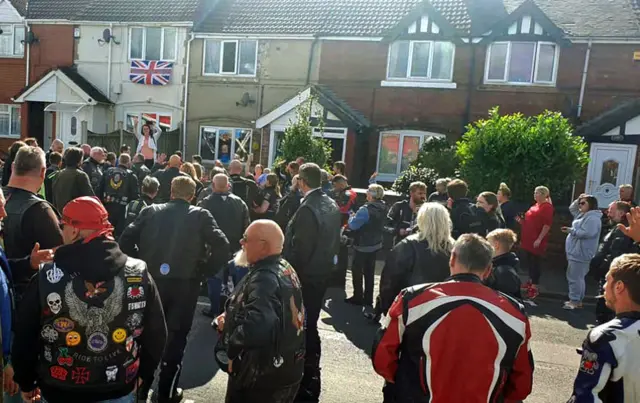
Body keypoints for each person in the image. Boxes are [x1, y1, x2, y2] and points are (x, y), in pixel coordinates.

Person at [11, 196, 167, 403]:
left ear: (74, 230)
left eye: (62, 225)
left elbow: (25, 333)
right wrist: (144, 375)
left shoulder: (46, 276)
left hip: (59, 389)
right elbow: (157, 333)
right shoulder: (139, 272)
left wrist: (26, 381)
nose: (61, 231)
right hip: (118, 387)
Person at [372, 234, 534, 402]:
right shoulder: (515, 313)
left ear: (452, 259)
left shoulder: (411, 299)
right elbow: (522, 381)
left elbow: (382, 356)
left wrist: (404, 386)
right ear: (488, 270)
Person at [119, 176, 229, 402]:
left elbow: (125, 239)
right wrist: (204, 270)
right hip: (183, 284)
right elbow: (222, 245)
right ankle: (165, 392)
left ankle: (143, 388)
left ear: (171, 191)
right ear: (192, 196)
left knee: (145, 333)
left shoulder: (153, 211)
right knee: (176, 337)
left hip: (154, 280)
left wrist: (138, 263)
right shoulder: (199, 215)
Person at [216, 220, 305, 403]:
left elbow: (257, 327)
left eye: (246, 238)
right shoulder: (283, 267)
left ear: (263, 246)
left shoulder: (264, 277)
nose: (241, 242)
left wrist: (231, 350)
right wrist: (230, 316)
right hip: (283, 370)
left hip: (260, 379)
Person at [283, 163, 341, 403]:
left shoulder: (309, 208)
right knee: (310, 322)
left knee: (303, 325)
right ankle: (310, 369)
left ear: (302, 181)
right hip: (322, 271)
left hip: (306, 275)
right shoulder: (330, 203)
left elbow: (301, 249)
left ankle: (305, 376)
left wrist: (288, 272)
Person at [567, 253, 640, 402]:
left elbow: (585, 396)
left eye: (607, 280)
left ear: (619, 287)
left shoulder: (606, 336)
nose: (604, 287)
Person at [377, 202, 453, 320]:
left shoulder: (407, 245)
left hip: (411, 310)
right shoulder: (455, 249)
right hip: (443, 311)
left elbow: (390, 281)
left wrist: (387, 308)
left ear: (421, 220)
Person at [198, 173, 250, 318]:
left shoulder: (205, 203)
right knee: (237, 284)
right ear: (228, 185)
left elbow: (198, 228)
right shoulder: (240, 203)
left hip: (213, 250)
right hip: (235, 250)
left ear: (213, 186)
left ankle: (214, 309)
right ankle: (234, 310)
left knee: (214, 281)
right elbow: (247, 227)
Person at [3, 146, 63, 268]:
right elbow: (61, 254)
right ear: (43, 172)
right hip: (27, 284)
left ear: (13, 166)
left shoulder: (2, 198)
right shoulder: (40, 210)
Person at [344, 184, 386, 316]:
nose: (366, 193)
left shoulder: (365, 210)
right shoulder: (384, 207)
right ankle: (368, 299)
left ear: (372, 195)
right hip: (376, 243)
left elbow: (353, 225)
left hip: (362, 244)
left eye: (368, 191)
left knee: (357, 270)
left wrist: (351, 215)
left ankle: (357, 296)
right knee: (370, 272)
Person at [590, 201, 634, 324]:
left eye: (611, 210)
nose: (608, 213)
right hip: (608, 273)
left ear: (621, 213)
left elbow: (615, 254)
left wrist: (601, 269)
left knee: (606, 307)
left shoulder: (622, 230)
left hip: (611, 274)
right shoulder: (616, 228)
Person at [562, 194, 603, 310]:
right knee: (575, 276)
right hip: (575, 251)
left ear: (591, 204)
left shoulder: (593, 218)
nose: (580, 205)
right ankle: (576, 300)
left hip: (581, 253)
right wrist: (579, 198)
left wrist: (571, 231)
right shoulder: (582, 214)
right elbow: (572, 208)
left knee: (575, 277)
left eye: (583, 203)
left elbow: (588, 233)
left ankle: (575, 301)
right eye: (580, 203)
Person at [517, 185, 554, 300]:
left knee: (535, 262)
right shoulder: (535, 205)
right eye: (535, 192)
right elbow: (530, 220)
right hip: (528, 238)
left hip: (536, 239)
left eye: (537, 193)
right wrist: (521, 221)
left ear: (544, 195)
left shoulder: (547, 207)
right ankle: (530, 281)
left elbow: (547, 225)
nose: (535, 194)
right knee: (529, 261)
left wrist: (539, 239)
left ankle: (534, 286)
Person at [98, 154, 140, 237]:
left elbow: (99, 190)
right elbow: (135, 196)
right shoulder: (131, 175)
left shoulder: (107, 172)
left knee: (106, 232)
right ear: (129, 162)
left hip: (107, 207)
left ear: (119, 161)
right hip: (123, 210)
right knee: (119, 235)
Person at [330, 174, 357, 288]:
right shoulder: (348, 193)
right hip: (344, 226)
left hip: (343, 227)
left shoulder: (347, 194)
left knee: (341, 254)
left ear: (341, 184)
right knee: (339, 253)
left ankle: (339, 281)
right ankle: (338, 280)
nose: (334, 188)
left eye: (335, 186)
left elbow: (342, 210)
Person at [51, 147, 95, 213]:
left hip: (60, 213)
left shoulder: (58, 174)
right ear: (79, 159)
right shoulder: (81, 175)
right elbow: (90, 198)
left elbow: (54, 195)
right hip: (75, 215)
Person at [485, 228, 522, 300]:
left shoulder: (504, 271)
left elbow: (505, 301)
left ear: (496, 245)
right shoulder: (503, 265)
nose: (486, 247)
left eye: (488, 243)